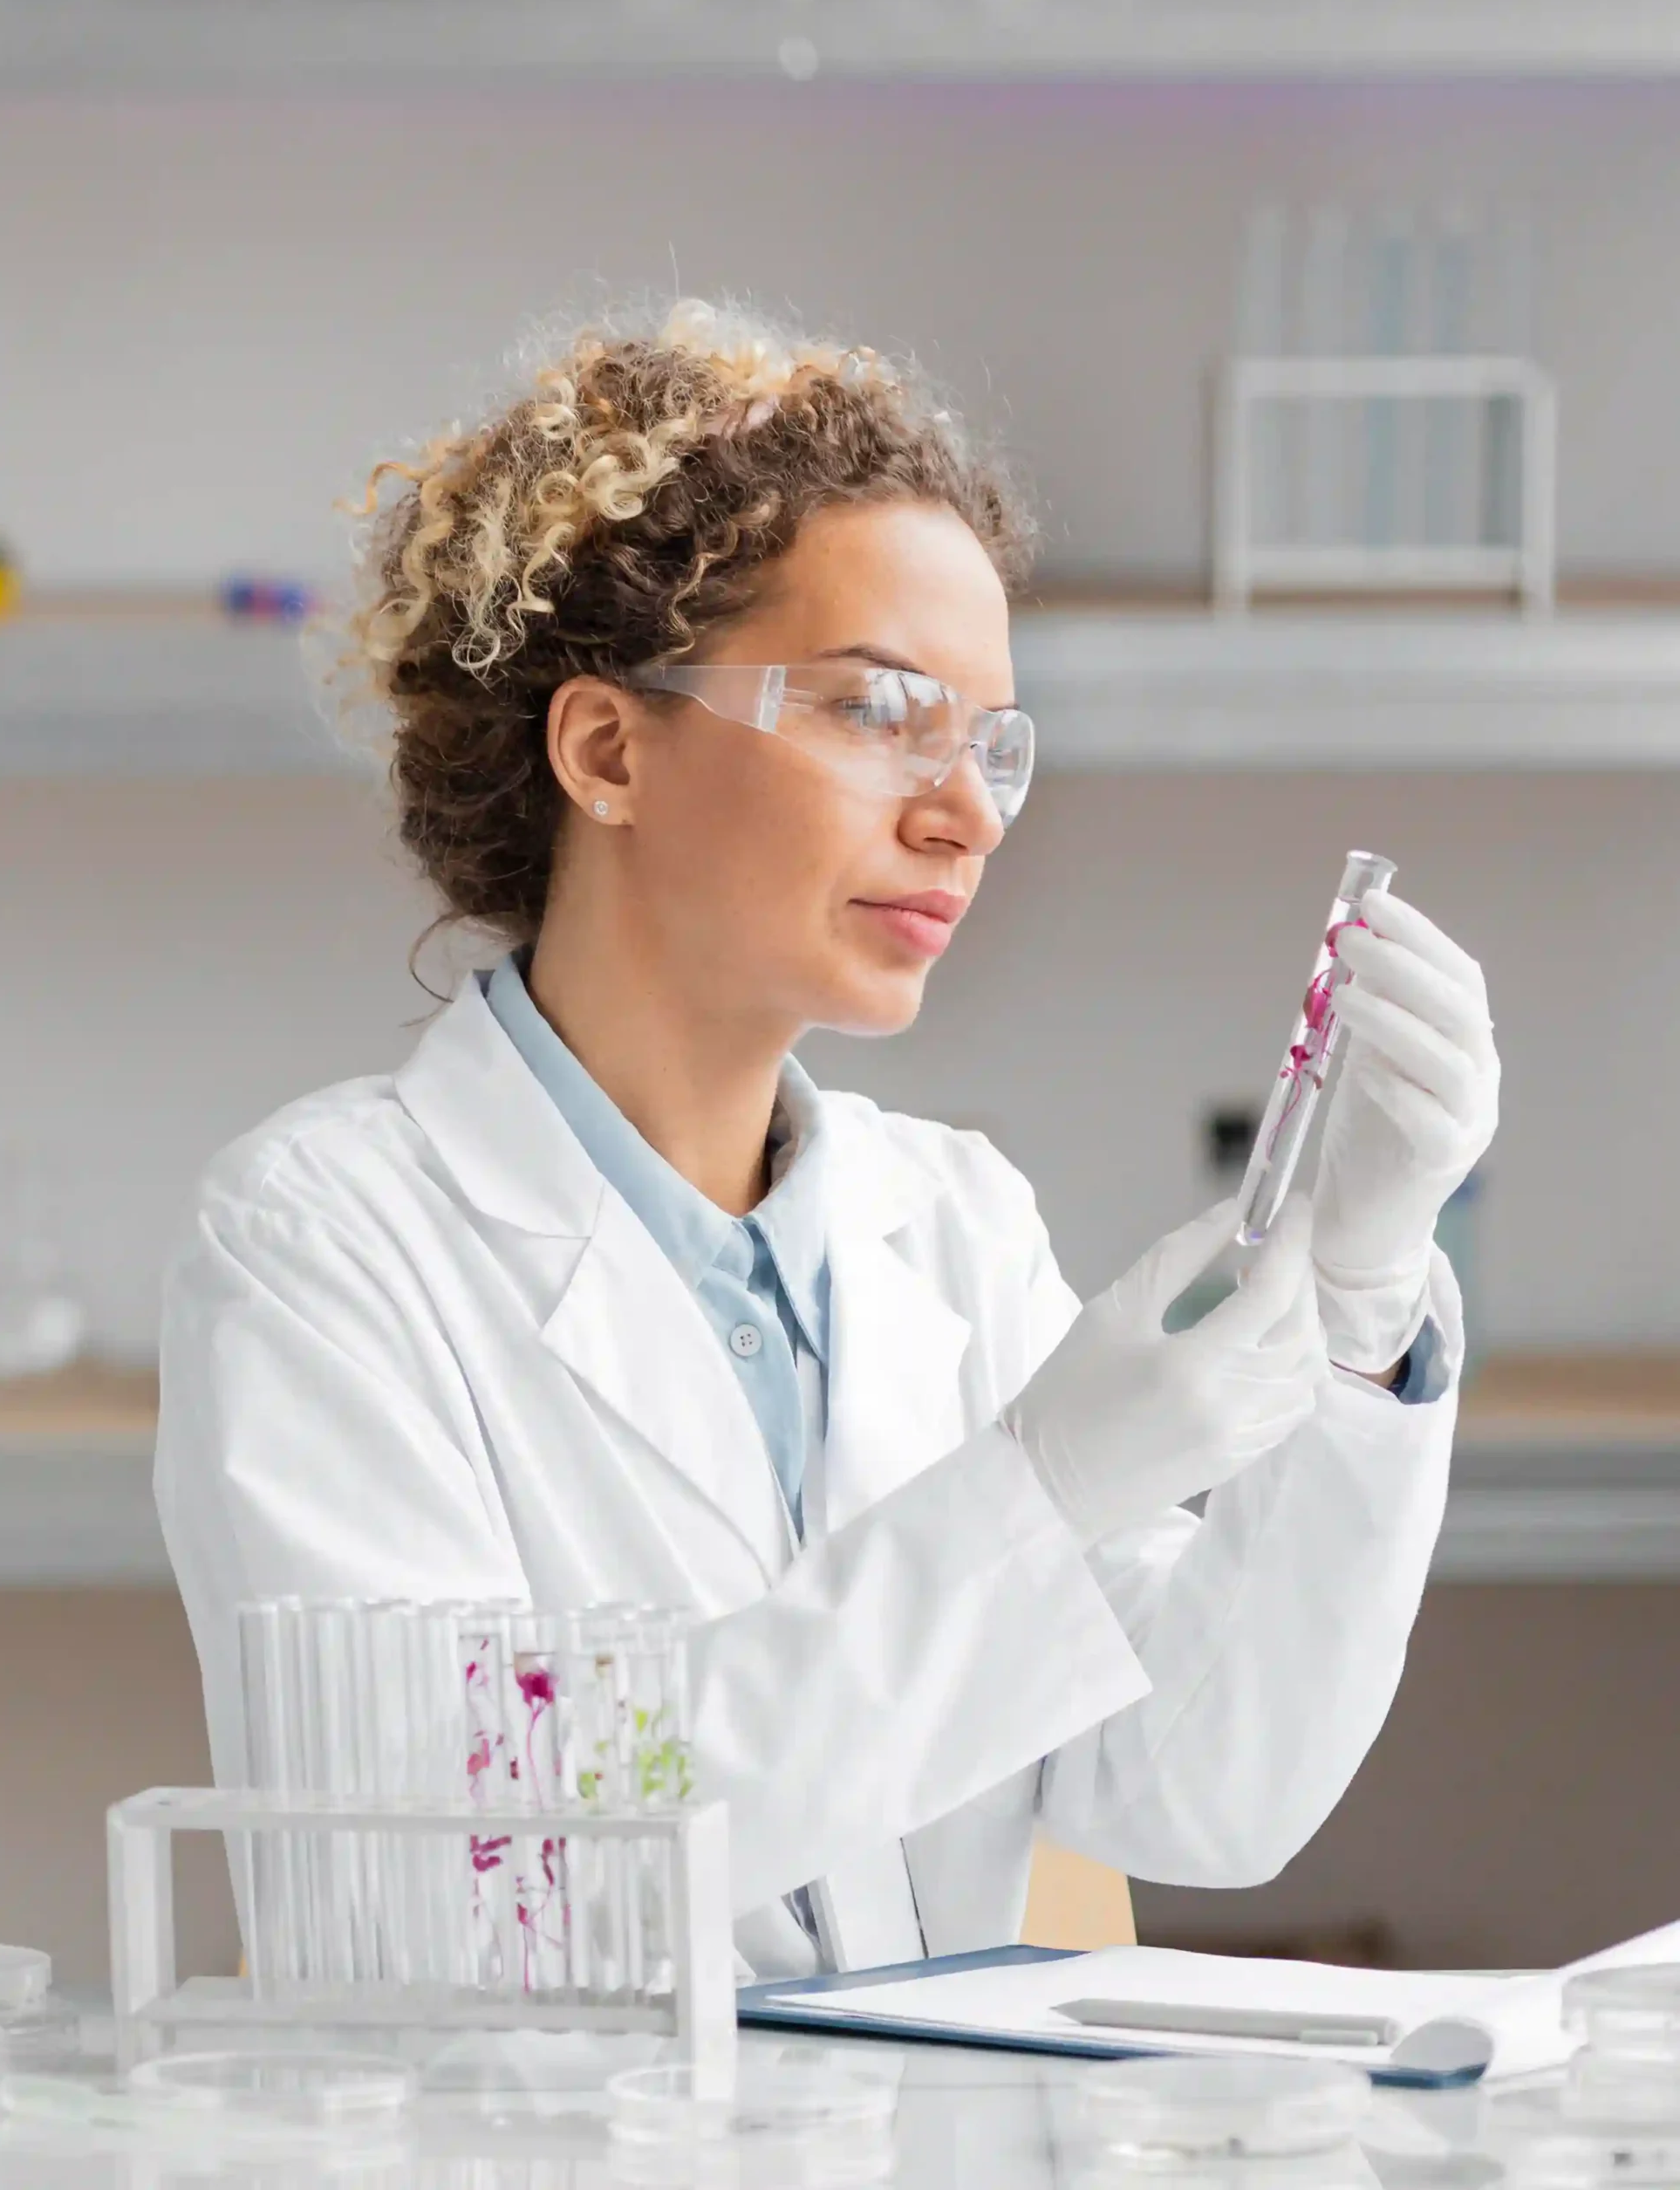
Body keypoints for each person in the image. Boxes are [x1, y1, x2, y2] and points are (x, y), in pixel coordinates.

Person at [156, 300, 1499, 1979]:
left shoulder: (947, 1222)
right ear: (607, 747)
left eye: (994, 744)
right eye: (880, 713)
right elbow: (470, 1887)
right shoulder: (328, 1242)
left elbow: (1207, 1793)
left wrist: (1361, 1313)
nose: (970, 814)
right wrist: (1037, 1493)